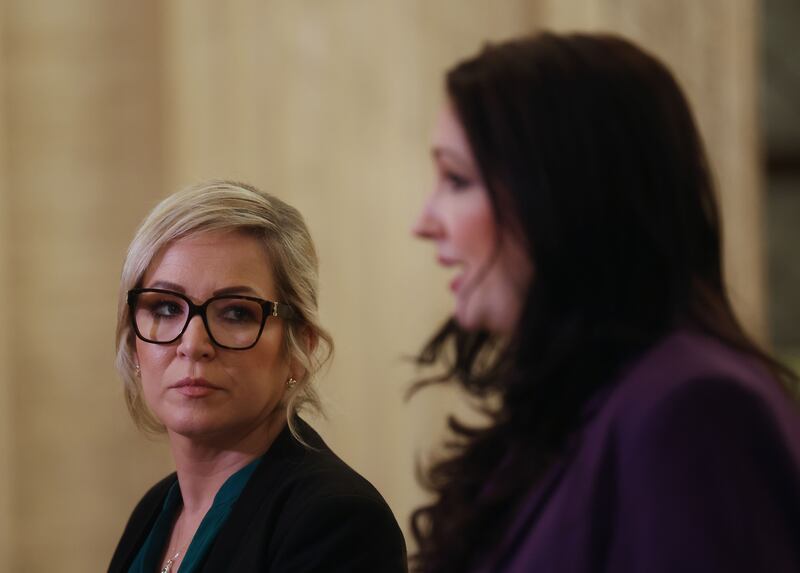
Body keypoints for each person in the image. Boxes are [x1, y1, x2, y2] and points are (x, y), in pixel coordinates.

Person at [411, 31, 800, 573]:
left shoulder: (695, 408)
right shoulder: (581, 407)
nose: (424, 223)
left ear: (560, 192)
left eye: (457, 179)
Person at [108, 180, 407, 572]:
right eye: (165, 308)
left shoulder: (337, 521)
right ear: (134, 345)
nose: (193, 343)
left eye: (236, 313)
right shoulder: (154, 510)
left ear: (300, 348)